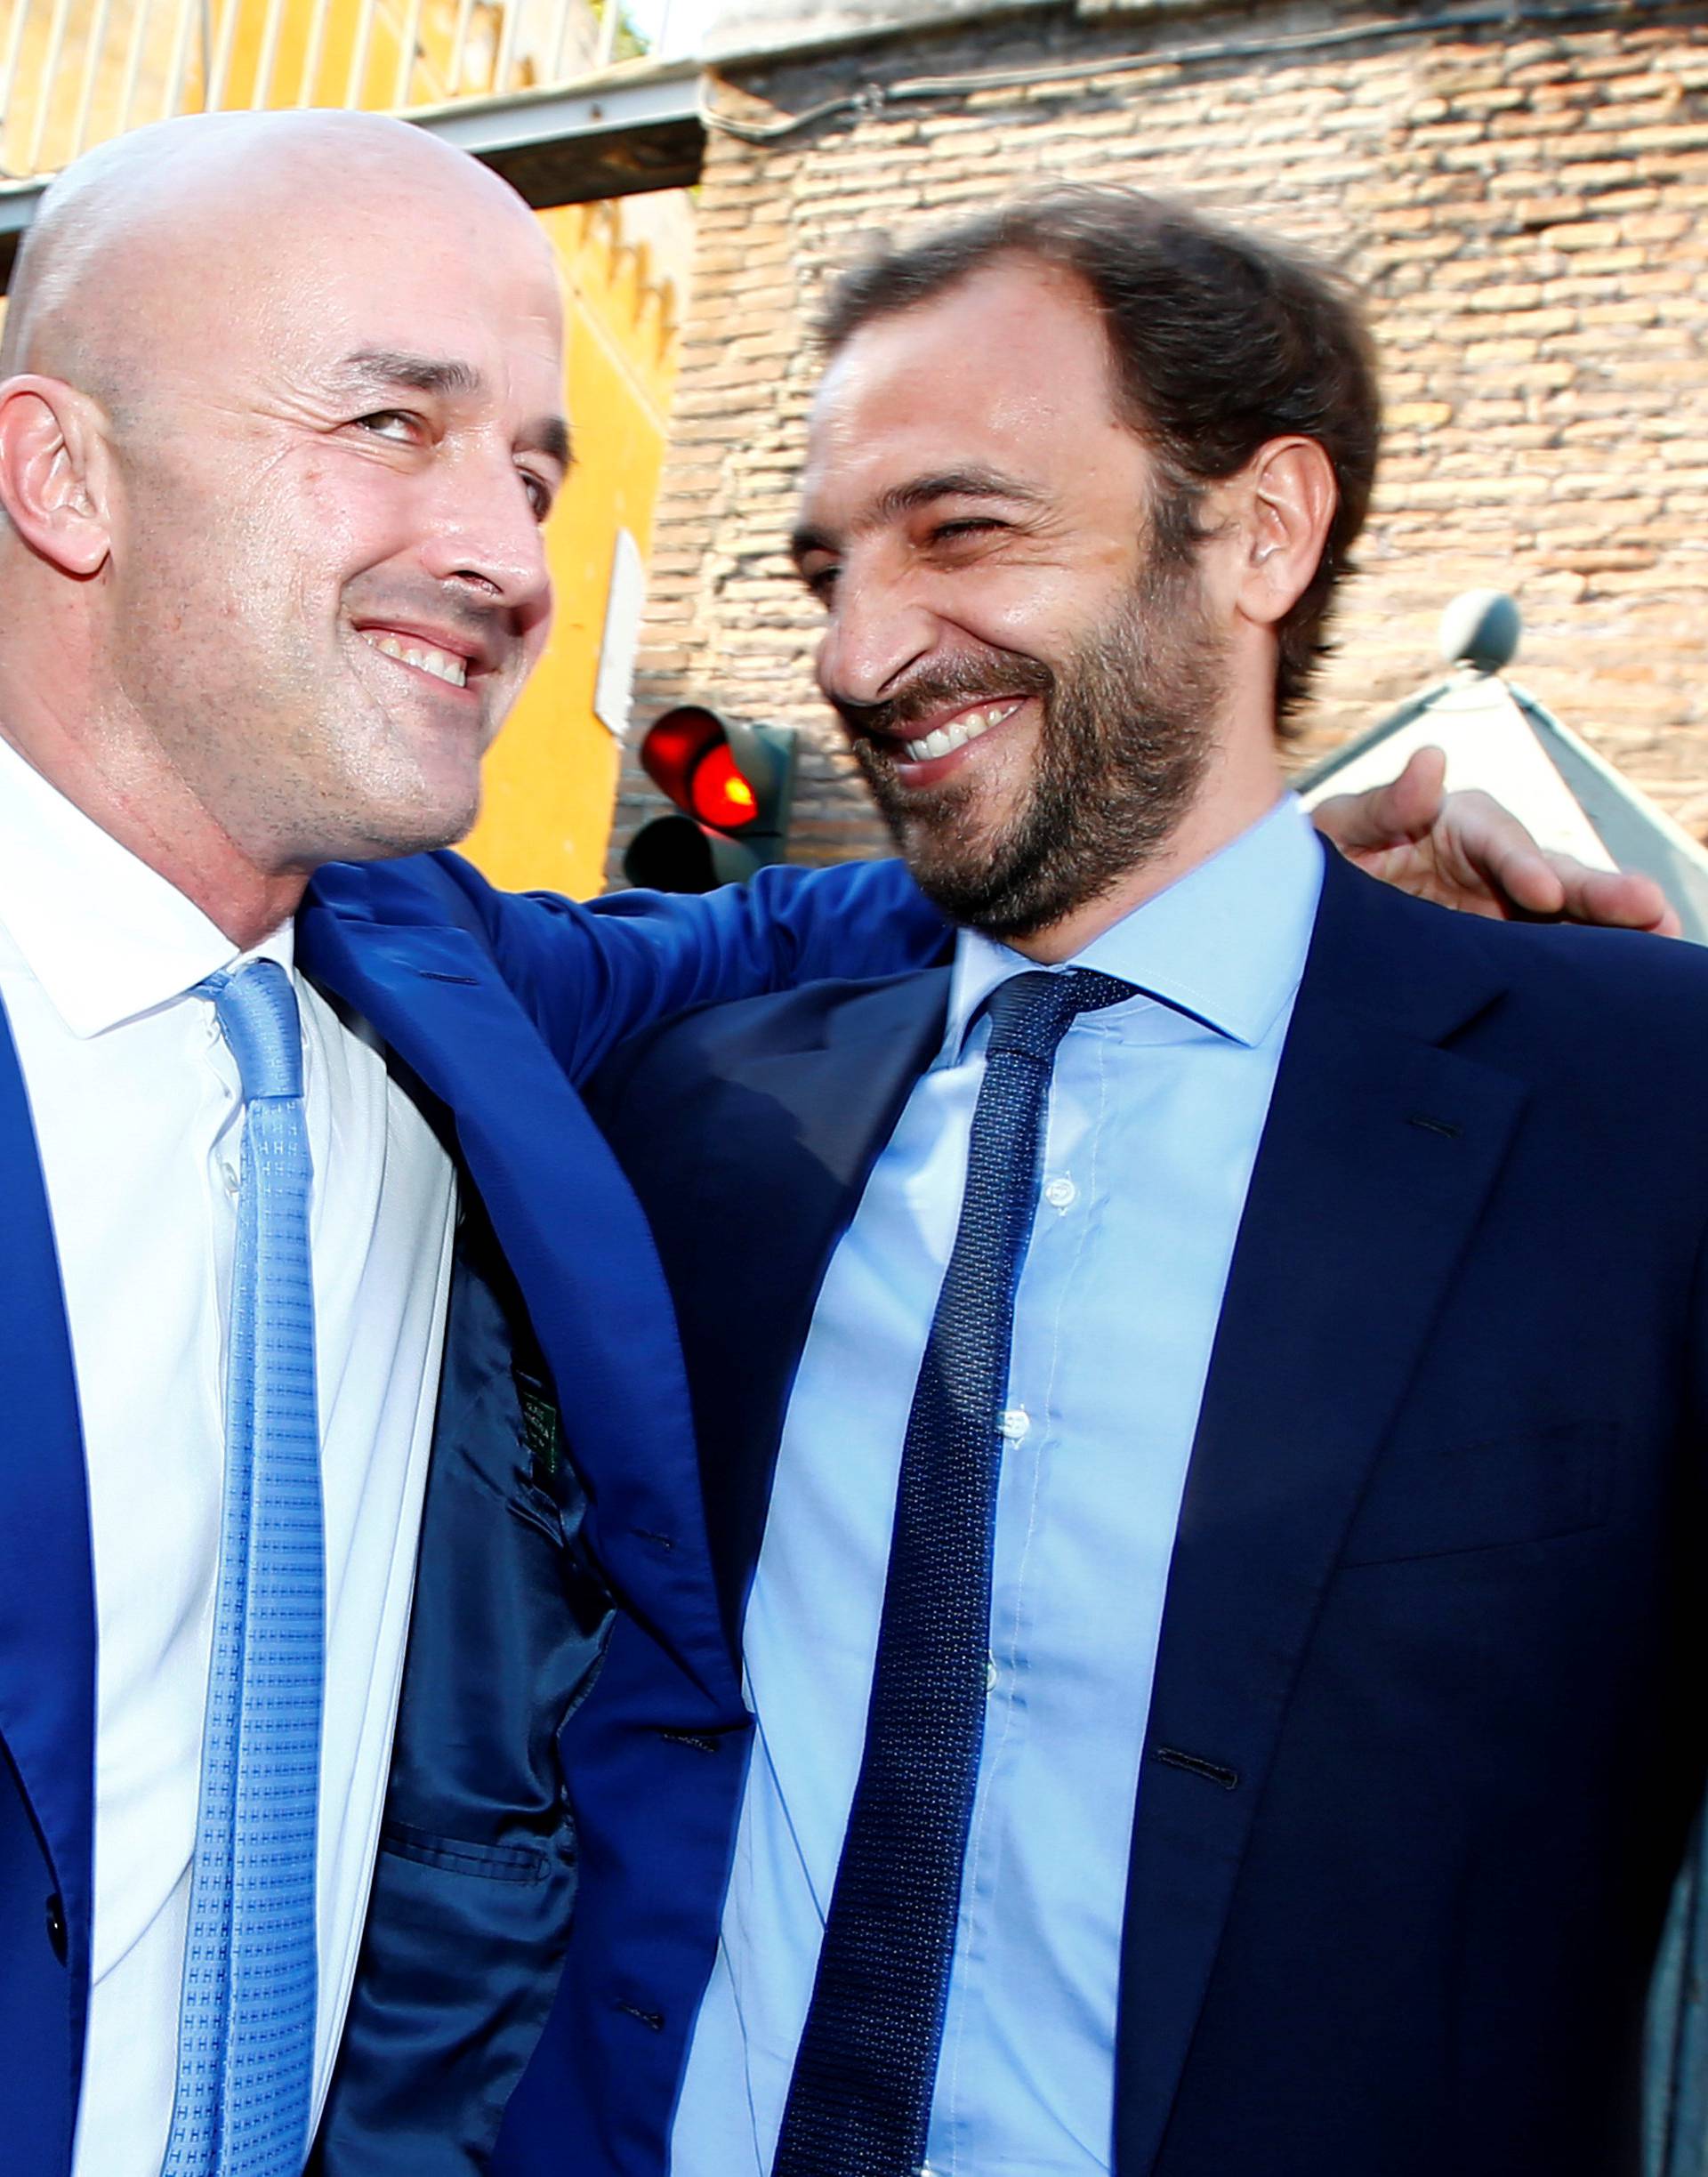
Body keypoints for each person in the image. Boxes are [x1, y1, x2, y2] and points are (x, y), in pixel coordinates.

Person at [452, 190, 1708, 2176]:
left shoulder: (1640, 1107)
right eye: (825, 571)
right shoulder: (709, 1123)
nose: (862, 653)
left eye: (962, 532)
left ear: (1260, 532)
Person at [0, 107, 975, 2177]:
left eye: (533, 467)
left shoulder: (431, 977)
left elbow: (774, 928)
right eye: (389, 424)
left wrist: (1280, 857)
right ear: (61, 475)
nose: (515, 561)